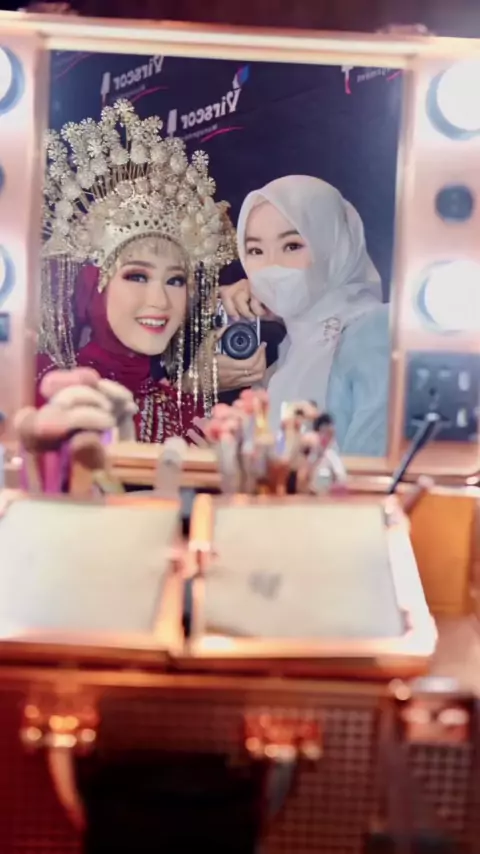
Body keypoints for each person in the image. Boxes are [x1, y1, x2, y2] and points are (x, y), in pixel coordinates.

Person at [37, 98, 236, 444]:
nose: (160, 300)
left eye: (175, 280)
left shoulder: (185, 414)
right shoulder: (46, 390)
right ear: (91, 287)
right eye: (137, 276)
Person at [221, 175, 390, 457]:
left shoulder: (374, 330)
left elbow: (373, 469)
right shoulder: (290, 351)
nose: (272, 266)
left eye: (292, 246)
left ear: (334, 246)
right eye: (256, 251)